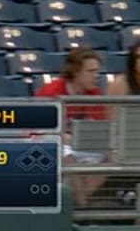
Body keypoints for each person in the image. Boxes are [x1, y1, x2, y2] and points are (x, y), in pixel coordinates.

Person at [36, 47, 108, 207]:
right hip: (46, 142)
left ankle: (80, 203)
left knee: (112, 157)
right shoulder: (53, 91)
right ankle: (82, 207)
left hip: (78, 143)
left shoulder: (94, 93)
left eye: (97, 71)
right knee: (69, 158)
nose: (96, 76)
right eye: (91, 71)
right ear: (76, 72)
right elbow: (42, 129)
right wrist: (72, 139)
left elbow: (98, 128)